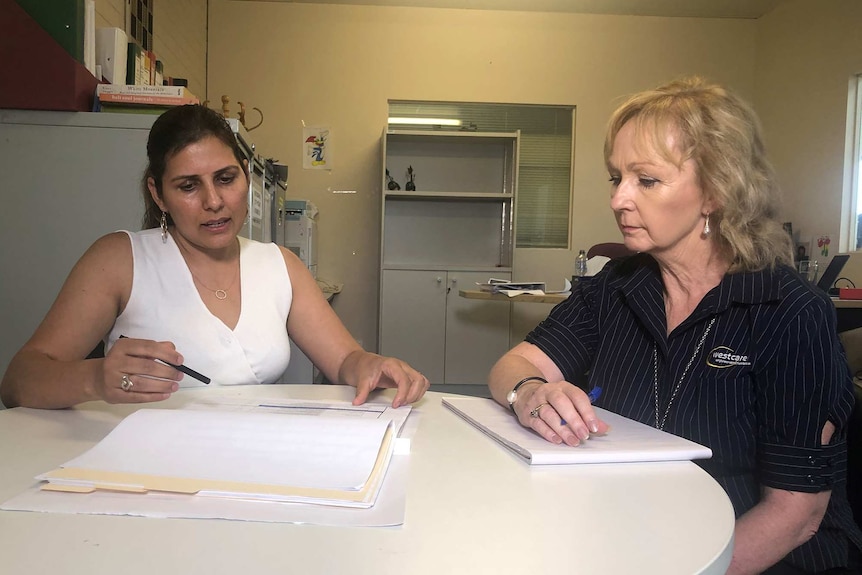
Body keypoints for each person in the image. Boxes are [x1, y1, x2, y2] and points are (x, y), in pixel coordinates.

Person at [488, 77, 862, 574]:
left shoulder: (789, 312)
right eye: (615, 178)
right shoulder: (616, 286)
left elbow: (796, 517)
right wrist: (530, 392)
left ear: (714, 191)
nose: (619, 200)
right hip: (641, 536)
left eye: (646, 180)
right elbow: (511, 366)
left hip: (760, 557)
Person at [0, 104, 429, 410]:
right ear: (158, 193)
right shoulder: (119, 259)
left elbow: (345, 361)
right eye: (188, 186)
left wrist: (372, 364)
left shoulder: (279, 264)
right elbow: (19, 381)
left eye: (226, 179)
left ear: (245, 175)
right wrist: (94, 378)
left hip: (251, 465)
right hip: (145, 470)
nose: (214, 201)